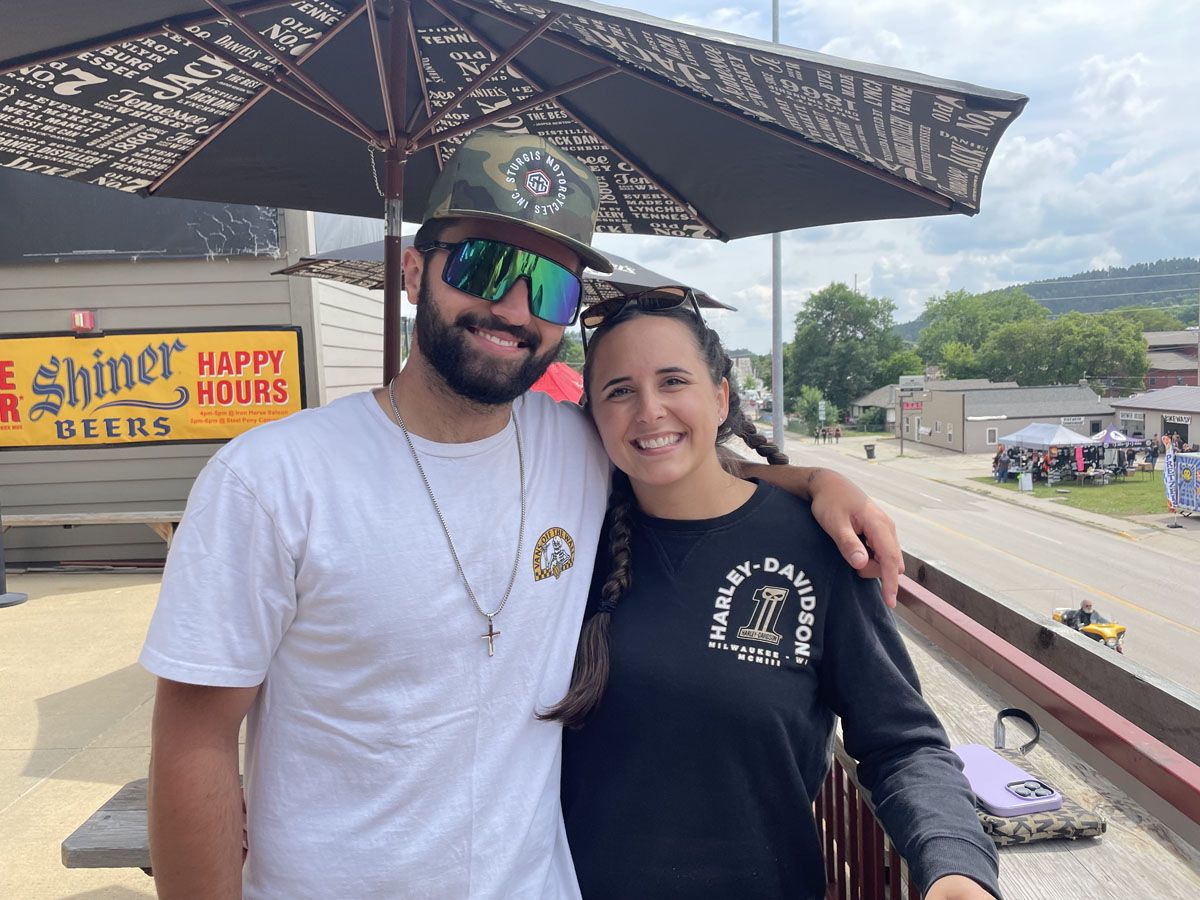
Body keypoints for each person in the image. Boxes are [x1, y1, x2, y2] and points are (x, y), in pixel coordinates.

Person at [140, 129, 904, 897]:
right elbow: (194, 741)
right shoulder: (269, 479)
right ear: (413, 271)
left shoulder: (574, 447)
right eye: (484, 265)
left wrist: (815, 481)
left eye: (552, 287)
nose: (513, 306)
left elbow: (682, 458)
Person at [552, 298, 999, 900]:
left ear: (720, 398)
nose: (649, 410)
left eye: (673, 381)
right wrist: (814, 476)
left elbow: (903, 742)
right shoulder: (563, 542)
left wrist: (954, 865)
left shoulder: (819, 547)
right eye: (619, 391)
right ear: (593, 416)